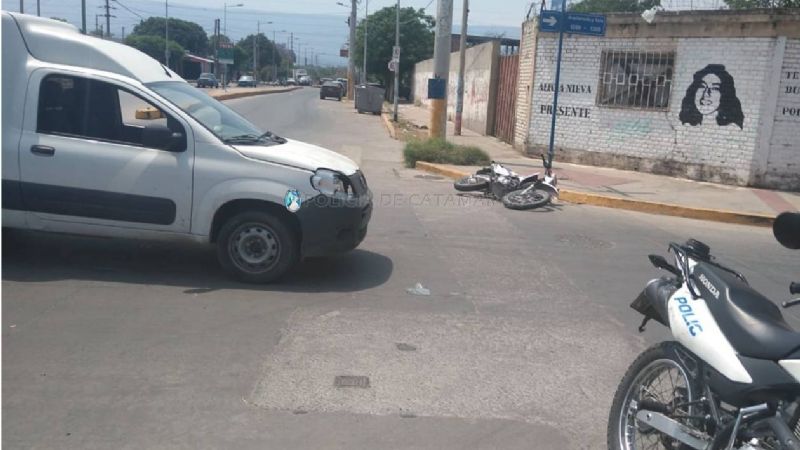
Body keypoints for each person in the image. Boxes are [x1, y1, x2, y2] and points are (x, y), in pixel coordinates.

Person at [679, 64, 744, 129]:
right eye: (702, 86)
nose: (706, 94)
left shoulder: (732, 128)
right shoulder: (687, 126)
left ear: (724, 94)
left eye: (714, 88)